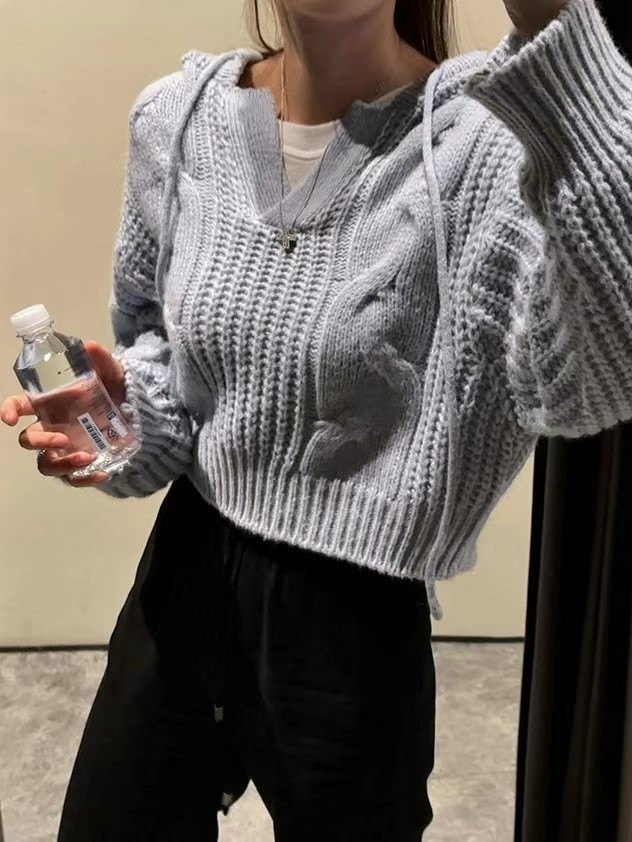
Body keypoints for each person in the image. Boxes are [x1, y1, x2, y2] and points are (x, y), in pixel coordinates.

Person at [3, 0, 632, 838]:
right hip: (188, 561)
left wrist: (566, 44)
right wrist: (121, 420)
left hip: (356, 616)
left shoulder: (484, 143)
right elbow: (160, 365)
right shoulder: (176, 119)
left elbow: (596, 379)